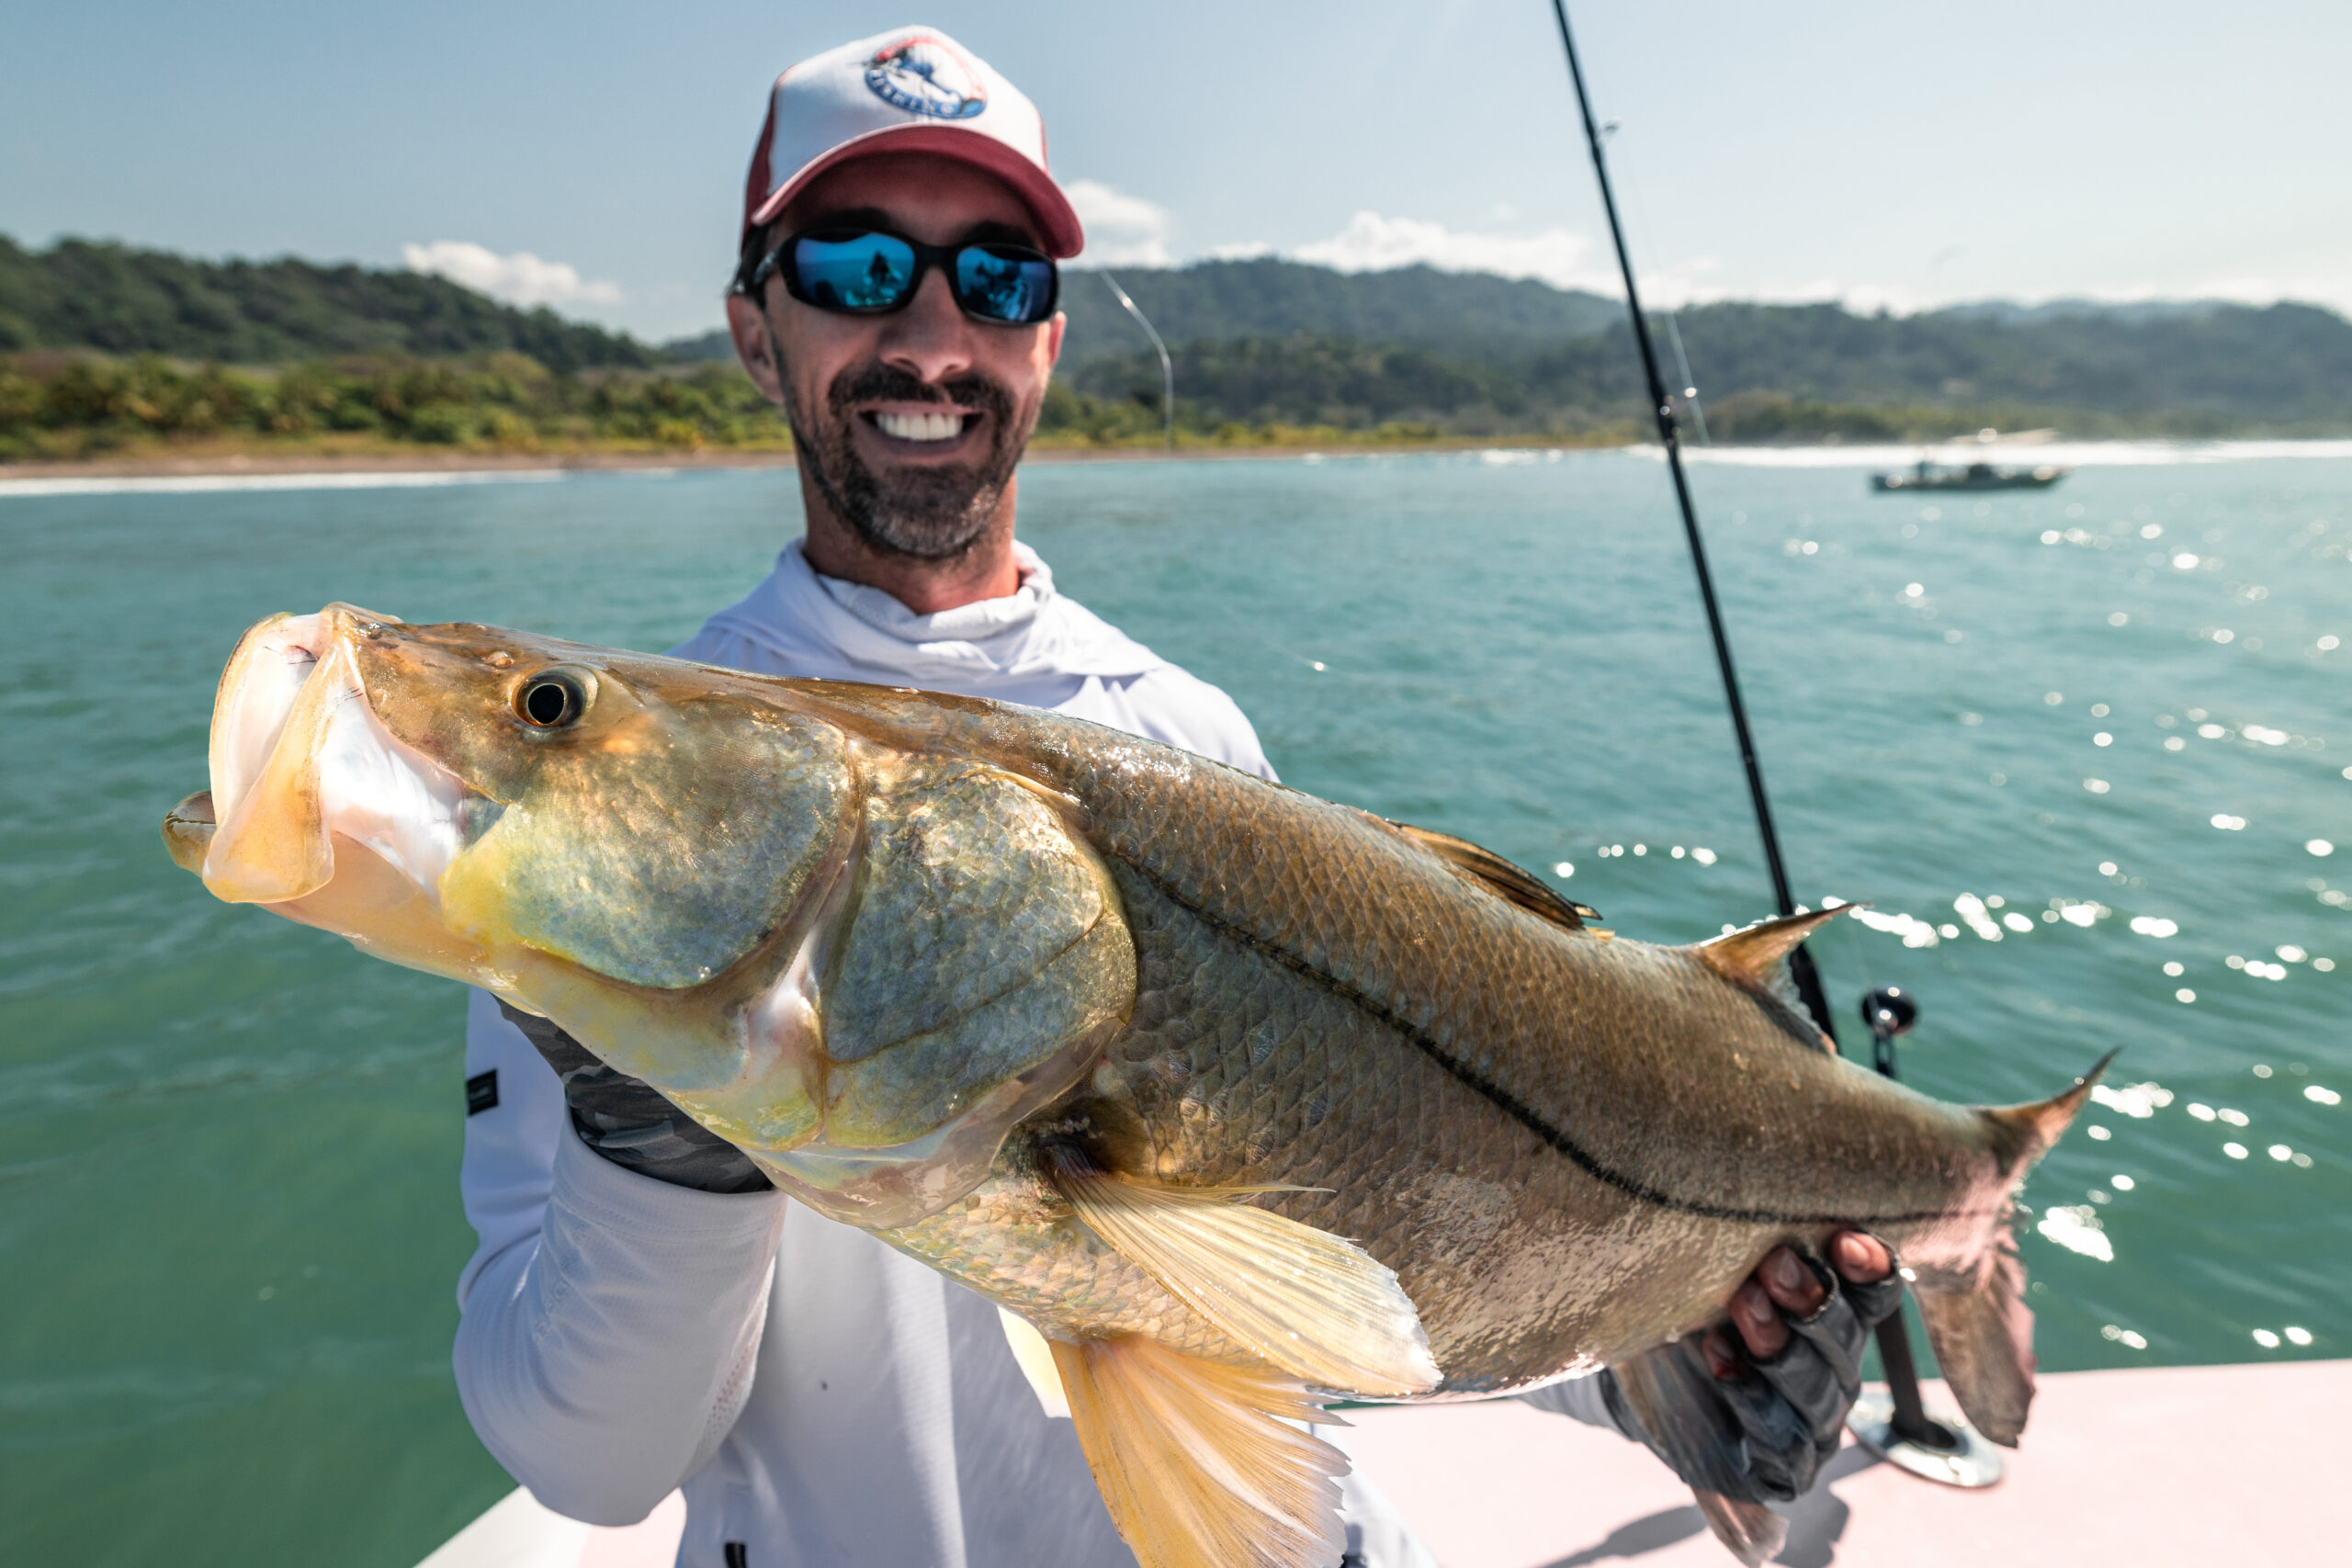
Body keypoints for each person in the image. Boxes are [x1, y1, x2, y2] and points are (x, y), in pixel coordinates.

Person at [451, 26, 1898, 1568]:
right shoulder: (614, 800)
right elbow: (587, 1466)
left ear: (1048, 343)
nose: (935, 337)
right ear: (758, 329)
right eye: (860, 267)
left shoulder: (1188, 736)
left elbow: (1351, 1232)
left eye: (998, 277)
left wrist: (1660, 1373)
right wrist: (651, 1143)